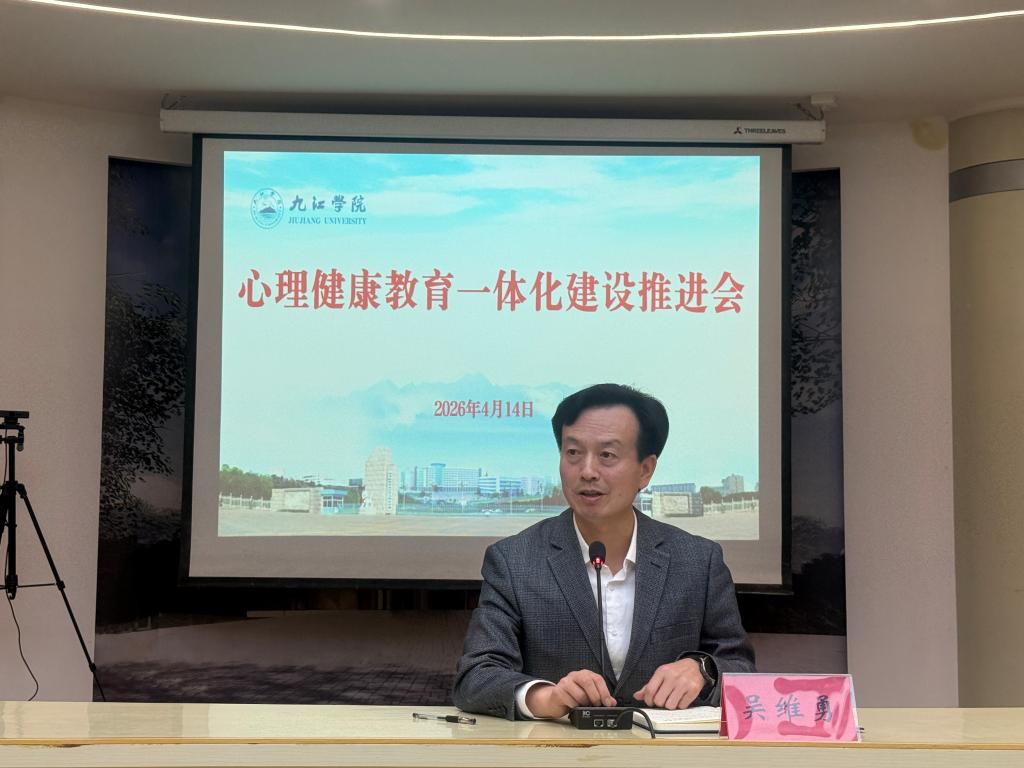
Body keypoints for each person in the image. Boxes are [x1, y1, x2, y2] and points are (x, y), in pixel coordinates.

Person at [452, 383, 755, 720]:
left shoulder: (698, 561)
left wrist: (703, 670)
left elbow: (740, 667)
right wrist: (544, 696)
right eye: (573, 453)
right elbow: (476, 677)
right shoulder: (514, 561)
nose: (587, 471)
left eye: (607, 455)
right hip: (557, 747)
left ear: (645, 470)